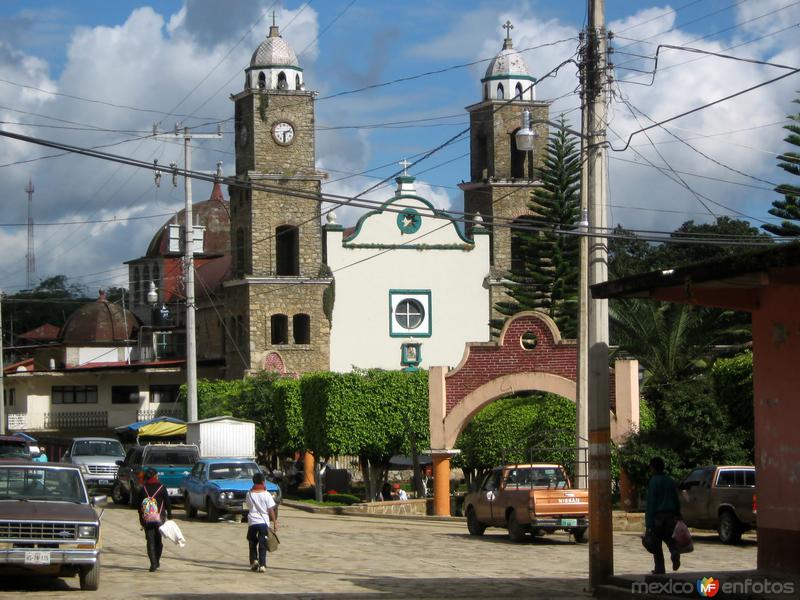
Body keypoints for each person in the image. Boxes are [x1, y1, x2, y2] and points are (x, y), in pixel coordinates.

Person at [645, 456, 682, 574]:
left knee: (656, 544)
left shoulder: (654, 482)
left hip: (658, 517)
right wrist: (678, 513)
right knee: (670, 538)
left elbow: (651, 503)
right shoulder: (670, 480)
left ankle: (659, 568)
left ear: (653, 468)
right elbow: (676, 499)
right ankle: (674, 552)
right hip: (671, 515)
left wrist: (649, 523)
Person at [136, 467, 172, 572]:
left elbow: (139, 506)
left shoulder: (143, 488)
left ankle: (153, 563)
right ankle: (157, 561)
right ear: (155, 476)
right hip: (159, 519)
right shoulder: (161, 487)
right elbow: (167, 502)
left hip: (147, 519)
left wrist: (141, 519)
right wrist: (170, 515)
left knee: (150, 541)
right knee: (158, 541)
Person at [245, 472, 277, 573]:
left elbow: (249, 506)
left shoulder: (249, 493)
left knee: (252, 541)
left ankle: (254, 560)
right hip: (264, 523)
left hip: (253, 522)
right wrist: (275, 522)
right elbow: (271, 510)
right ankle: (262, 565)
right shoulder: (266, 494)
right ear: (263, 481)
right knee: (262, 543)